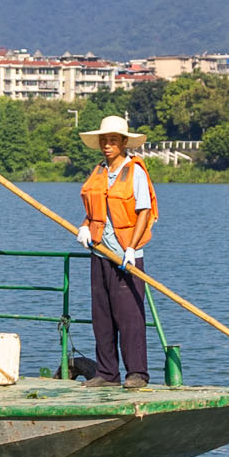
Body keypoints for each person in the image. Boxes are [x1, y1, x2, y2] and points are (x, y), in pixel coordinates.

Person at [72, 113, 157, 386]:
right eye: (104, 141)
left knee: (129, 317)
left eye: (113, 140)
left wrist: (131, 248)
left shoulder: (135, 172)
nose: (107, 145)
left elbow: (143, 212)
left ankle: (137, 374)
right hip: (100, 253)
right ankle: (107, 374)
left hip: (126, 255)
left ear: (123, 143)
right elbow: (94, 211)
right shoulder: (98, 172)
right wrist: (84, 227)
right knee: (102, 316)